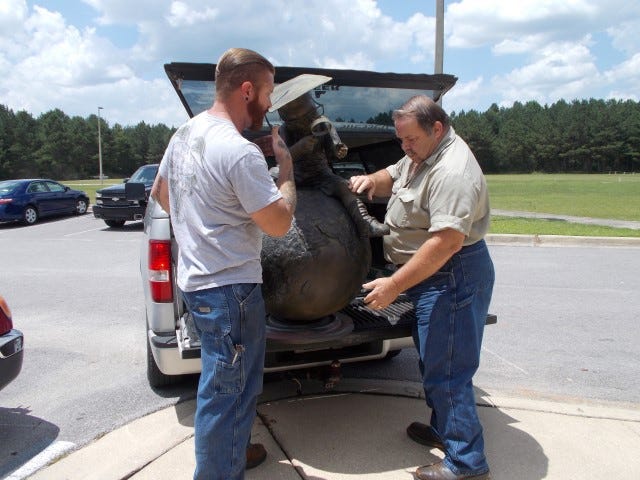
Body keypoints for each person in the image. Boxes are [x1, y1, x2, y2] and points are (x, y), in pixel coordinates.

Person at [151, 47, 296, 480]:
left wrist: (204, 223)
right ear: (247, 89)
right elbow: (279, 225)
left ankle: (228, 450)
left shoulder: (184, 134)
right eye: (268, 93)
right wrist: (285, 171)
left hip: (198, 287)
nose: (270, 104)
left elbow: (160, 193)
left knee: (220, 389)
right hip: (232, 293)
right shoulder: (240, 152)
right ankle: (218, 469)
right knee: (229, 395)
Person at [349, 95, 494, 480]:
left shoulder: (452, 171)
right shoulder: (420, 154)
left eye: (410, 139)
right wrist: (370, 180)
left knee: (448, 370)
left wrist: (395, 284)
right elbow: (392, 175)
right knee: (435, 359)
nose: (405, 147)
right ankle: (445, 429)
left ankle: (467, 463)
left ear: (437, 129)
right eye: (401, 140)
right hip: (432, 276)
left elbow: (445, 243)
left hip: (451, 275)